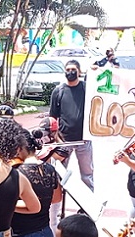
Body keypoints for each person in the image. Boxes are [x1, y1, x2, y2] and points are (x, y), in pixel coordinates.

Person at [49, 60, 94, 192]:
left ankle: (87, 207)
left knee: (87, 175)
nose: (70, 72)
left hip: (83, 140)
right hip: (64, 142)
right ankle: (56, 206)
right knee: (58, 175)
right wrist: (56, 138)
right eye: (67, 69)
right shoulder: (58, 91)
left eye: (73, 69)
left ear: (79, 72)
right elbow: (53, 117)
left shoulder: (87, 89)